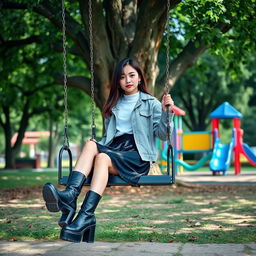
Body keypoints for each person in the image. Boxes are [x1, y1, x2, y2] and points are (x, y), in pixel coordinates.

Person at [42, 57, 174, 243]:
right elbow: (110, 137)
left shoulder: (151, 103)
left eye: (131, 75)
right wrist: (99, 143)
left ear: (139, 78)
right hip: (115, 150)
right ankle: (72, 198)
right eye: (122, 77)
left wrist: (167, 112)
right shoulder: (114, 104)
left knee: (102, 157)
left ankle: (83, 213)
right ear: (117, 82)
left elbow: (163, 135)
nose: (127, 80)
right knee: (91, 145)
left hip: (137, 156)